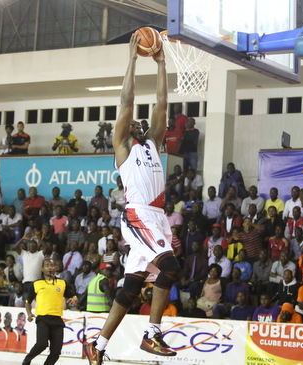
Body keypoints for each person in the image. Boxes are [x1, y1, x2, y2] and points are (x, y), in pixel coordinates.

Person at [85, 36, 179, 365]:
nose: (139, 122)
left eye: (143, 122)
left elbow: (162, 104)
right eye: (134, 121)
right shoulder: (123, 147)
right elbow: (127, 101)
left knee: (130, 289)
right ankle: (152, 334)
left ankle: (97, 344)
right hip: (138, 216)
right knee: (171, 267)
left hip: (157, 217)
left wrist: (163, 64)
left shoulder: (154, 141)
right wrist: (133, 59)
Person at [22, 258, 77, 365]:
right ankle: (27, 360)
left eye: (52, 265)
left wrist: (74, 298)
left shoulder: (62, 283)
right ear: (42, 269)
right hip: (43, 318)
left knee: (56, 352)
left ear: (55, 268)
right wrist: (29, 314)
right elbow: (28, 301)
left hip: (57, 320)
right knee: (41, 344)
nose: (50, 267)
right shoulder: (36, 283)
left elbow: (72, 295)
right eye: (47, 265)